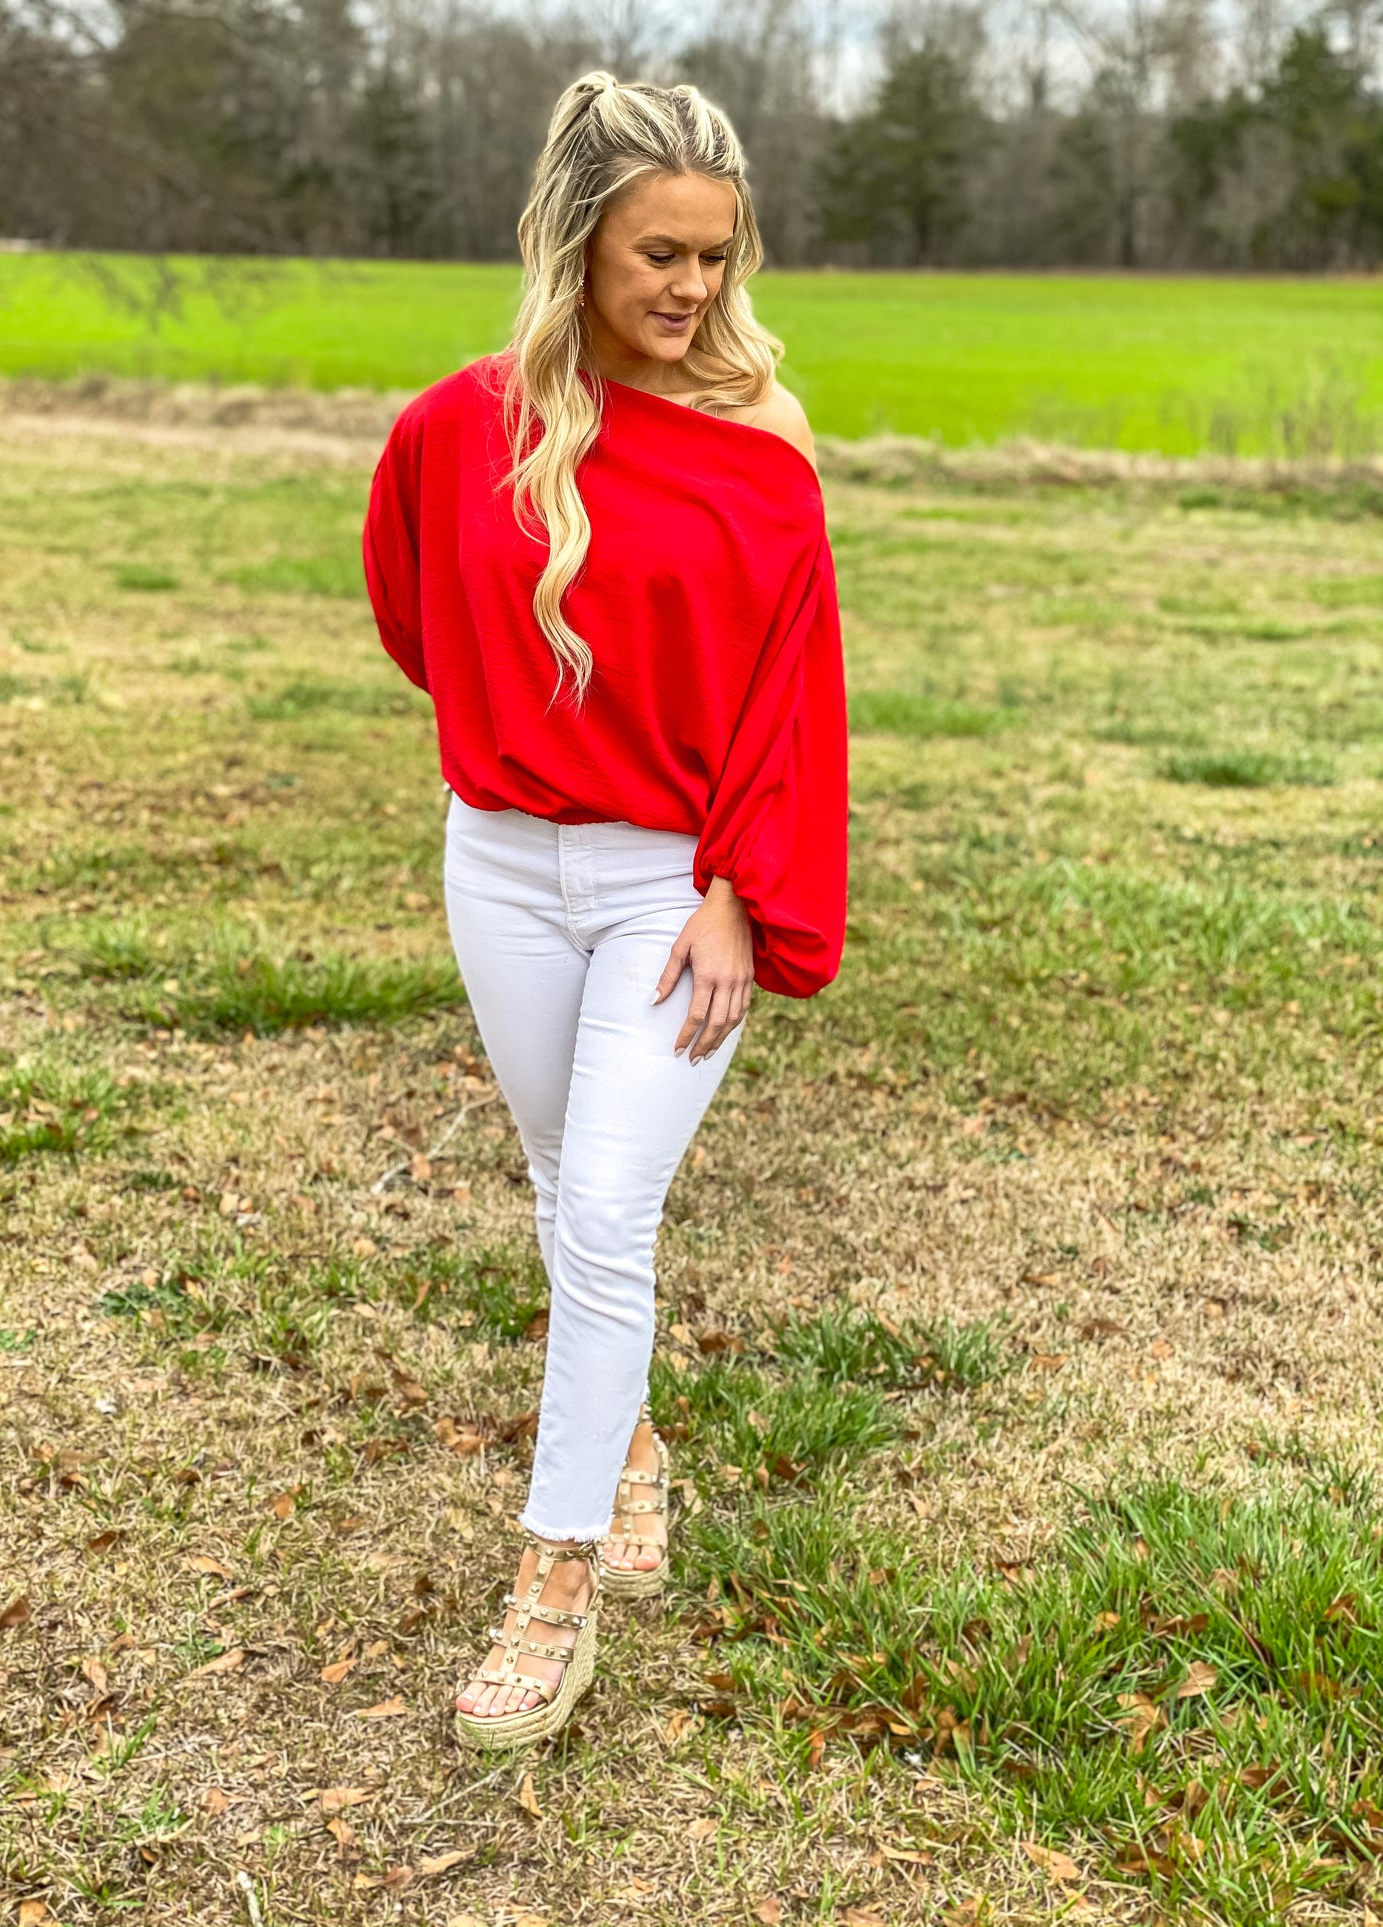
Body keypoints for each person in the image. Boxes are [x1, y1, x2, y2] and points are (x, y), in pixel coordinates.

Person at [362, 69, 849, 1752]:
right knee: (561, 1178)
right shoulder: (448, 428)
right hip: (494, 860)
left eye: (716, 256)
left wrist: (727, 889)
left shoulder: (758, 458)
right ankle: (631, 1445)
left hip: (669, 884)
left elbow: (792, 703)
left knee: (605, 1211)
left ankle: (552, 1575)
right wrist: (519, 746)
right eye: (659, 253)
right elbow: (417, 624)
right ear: (574, 244)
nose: (693, 290)